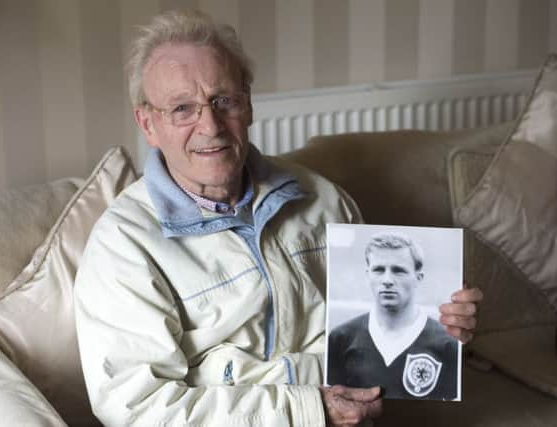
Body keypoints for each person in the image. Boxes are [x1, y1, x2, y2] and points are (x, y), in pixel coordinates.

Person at [74, 10, 481, 427]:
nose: (210, 125)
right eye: (182, 108)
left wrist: (437, 327)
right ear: (148, 123)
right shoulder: (123, 245)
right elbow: (140, 410)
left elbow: (371, 341)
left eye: (223, 100)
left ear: (247, 104)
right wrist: (308, 410)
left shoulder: (323, 200)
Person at [327, 233, 459, 400]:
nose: (387, 280)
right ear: (368, 274)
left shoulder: (448, 343)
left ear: (418, 278)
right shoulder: (340, 338)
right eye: (379, 270)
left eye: (398, 271)